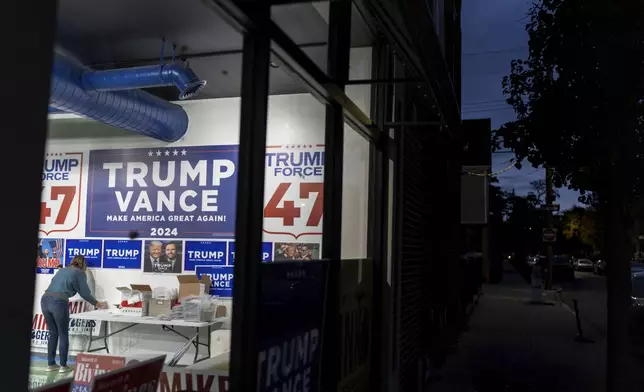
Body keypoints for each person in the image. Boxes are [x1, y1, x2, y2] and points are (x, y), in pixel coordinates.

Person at [41, 255, 107, 373]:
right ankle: (63, 366)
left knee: (52, 334)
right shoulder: (80, 273)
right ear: (83, 264)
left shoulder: (62, 270)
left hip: (45, 300)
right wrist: (98, 303)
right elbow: (85, 293)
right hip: (59, 302)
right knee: (63, 333)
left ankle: (51, 364)